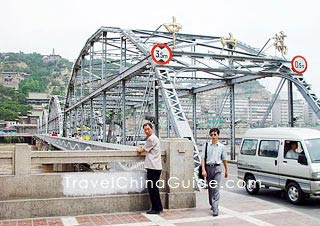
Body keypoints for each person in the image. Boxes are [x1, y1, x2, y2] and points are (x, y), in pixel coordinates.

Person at [136, 122, 163, 214]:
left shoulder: (151, 139)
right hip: (156, 167)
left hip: (153, 167)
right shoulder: (155, 138)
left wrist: (138, 148)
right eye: (145, 130)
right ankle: (158, 207)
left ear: (152, 129)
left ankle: (156, 209)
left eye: (148, 129)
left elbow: (141, 150)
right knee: (154, 188)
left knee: (152, 189)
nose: (147, 131)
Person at [201, 128, 228, 217]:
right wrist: (203, 170)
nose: (213, 136)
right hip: (208, 168)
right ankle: (212, 204)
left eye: (215, 134)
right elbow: (203, 159)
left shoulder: (222, 147)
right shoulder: (206, 145)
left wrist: (226, 170)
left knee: (216, 188)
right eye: (211, 134)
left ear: (218, 135)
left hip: (217, 168)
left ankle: (215, 209)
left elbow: (224, 159)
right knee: (210, 188)